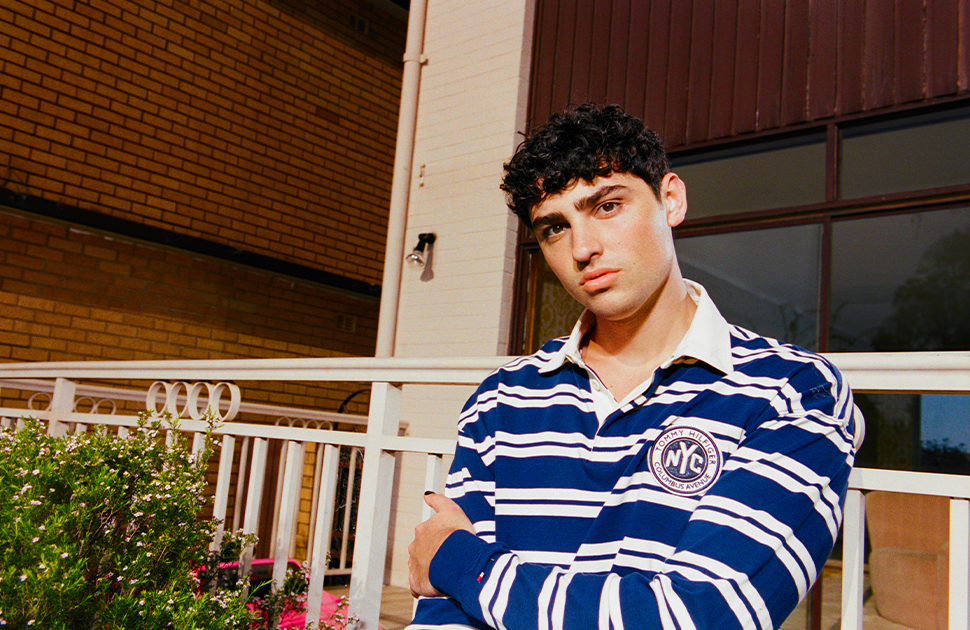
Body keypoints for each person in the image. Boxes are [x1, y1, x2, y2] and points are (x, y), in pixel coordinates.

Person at [406, 103, 862, 630]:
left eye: (606, 206)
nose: (582, 248)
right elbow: (447, 611)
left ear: (671, 199)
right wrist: (461, 574)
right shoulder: (503, 398)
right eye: (554, 228)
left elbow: (703, 615)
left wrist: (458, 562)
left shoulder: (791, 390)